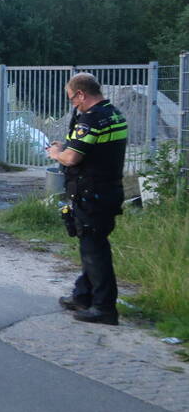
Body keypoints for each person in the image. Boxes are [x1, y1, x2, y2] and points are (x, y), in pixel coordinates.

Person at [47, 72, 127, 325]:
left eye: (73, 100)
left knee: (95, 249)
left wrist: (57, 153)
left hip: (91, 194)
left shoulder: (91, 119)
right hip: (108, 189)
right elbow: (91, 148)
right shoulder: (114, 114)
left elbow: (72, 158)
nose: (74, 105)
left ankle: (104, 308)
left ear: (81, 94)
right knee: (91, 245)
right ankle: (83, 295)